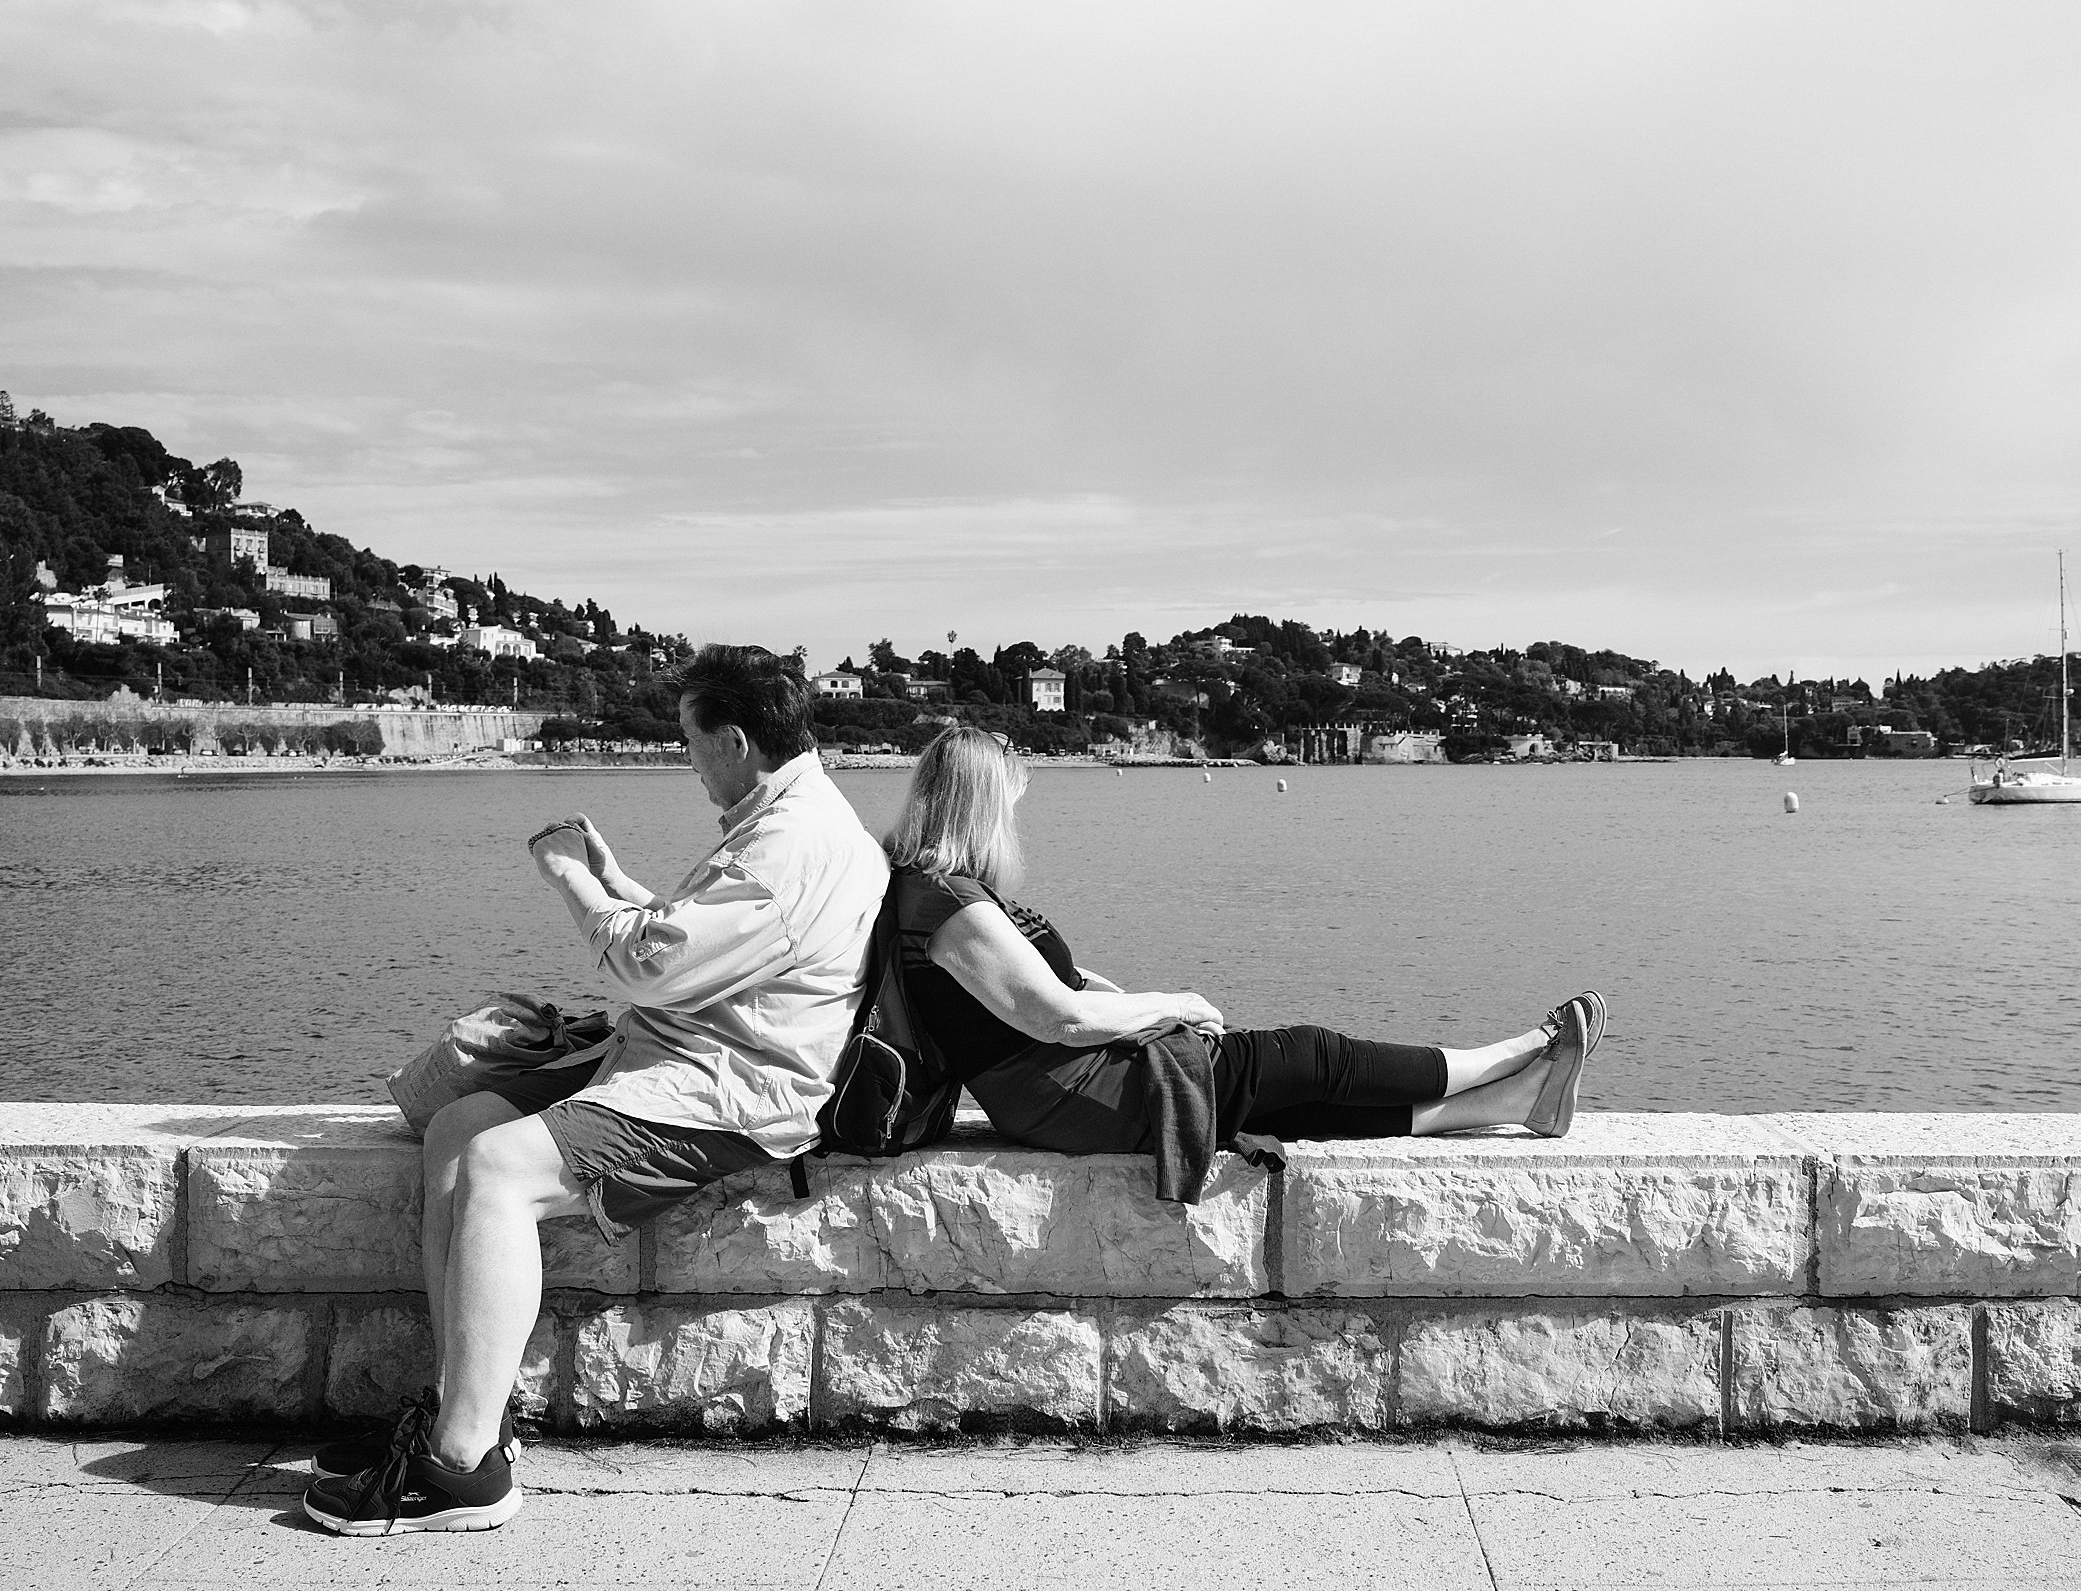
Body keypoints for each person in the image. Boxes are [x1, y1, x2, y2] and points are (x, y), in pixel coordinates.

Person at [301, 645, 887, 1536]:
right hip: (693, 1052)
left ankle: (462, 1469)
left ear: (734, 740)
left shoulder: (791, 842)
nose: (689, 762)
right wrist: (617, 883)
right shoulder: (790, 818)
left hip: (727, 1089)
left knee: (499, 1166)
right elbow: (719, 943)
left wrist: (568, 877)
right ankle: (467, 1410)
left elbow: (649, 965)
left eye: (690, 741)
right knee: (459, 1125)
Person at [886, 727, 1604, 1200]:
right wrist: (1174, 1004)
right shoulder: (945, 903)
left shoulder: (945, 894)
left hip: (1075, 1081)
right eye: (1010, 804)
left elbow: (1060, 988)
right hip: (1078, 1093)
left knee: (1291, 1103)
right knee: (1312, 1056)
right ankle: (1515, 1053)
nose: (1014, 822)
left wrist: (1138, 1009)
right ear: (979, 806)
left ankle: (1510, 1103)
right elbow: (1060, 1018)